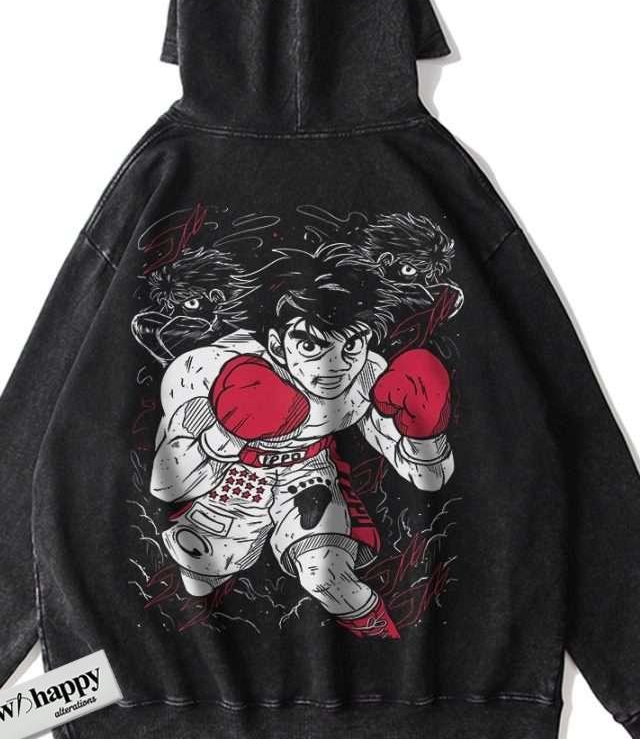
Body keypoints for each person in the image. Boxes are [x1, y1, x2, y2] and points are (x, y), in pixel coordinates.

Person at [151, 243, 455, 638]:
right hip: (234, 475)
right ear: (277, 345)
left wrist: (426, 432)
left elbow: (429, 479)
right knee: (196, 579)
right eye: (310, 345)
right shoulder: (209, 370)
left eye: (352, 344)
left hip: (309, 474)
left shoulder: (367, 375)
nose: (335, 365)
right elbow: (165, 486)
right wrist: (223, 434)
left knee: (327, 578)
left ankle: (384, 641)